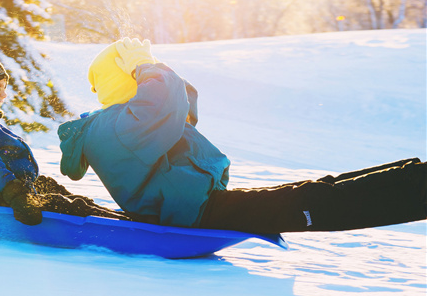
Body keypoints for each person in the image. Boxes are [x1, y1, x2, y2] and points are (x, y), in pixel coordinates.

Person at [57, 37, 426, 234]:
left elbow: (183, 105)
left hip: (199, 205)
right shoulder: (115, 127)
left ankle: (415, 179)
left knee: (318, 189)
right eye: (136, 70)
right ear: (122, 78)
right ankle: (417, 189)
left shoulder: (127, 119)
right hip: (192, 213)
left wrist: (152, 68)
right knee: (318, 200)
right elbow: (167, 104)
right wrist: (147, 68)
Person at [0, 50, 130, 226]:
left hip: (11, 191)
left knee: (64, 195)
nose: (4, 95)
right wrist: (16, 194)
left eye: (4, 87)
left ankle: (121, 219)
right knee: (69, 206)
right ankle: (121, 228)